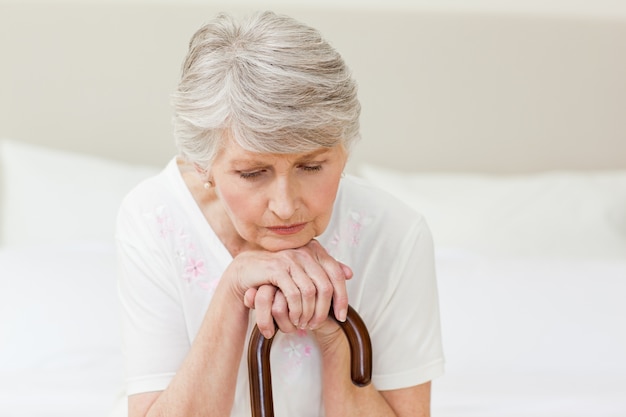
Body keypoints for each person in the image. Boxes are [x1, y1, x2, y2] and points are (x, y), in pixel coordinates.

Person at [116, 11, 444, 417]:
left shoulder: (395, 233)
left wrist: (334, 335)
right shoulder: (154, 216)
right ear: (203, 165)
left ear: (345, 150)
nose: (286, 206)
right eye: (253, 173)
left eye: (312, 167)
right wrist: (233, 290)